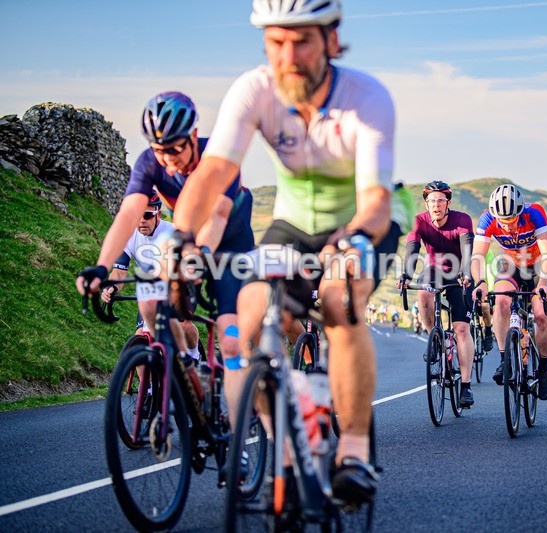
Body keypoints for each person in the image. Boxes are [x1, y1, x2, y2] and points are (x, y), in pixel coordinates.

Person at [169, 0, 401, 506]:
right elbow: (211, 173)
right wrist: (180, 236)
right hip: (293, 225)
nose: (288, 55)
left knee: (339, 302)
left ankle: (355, 451)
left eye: (302, 40)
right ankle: (285, 447)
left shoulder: (366, 97)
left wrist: (356, 237)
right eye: (276, 41)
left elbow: (377, 199)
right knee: (248, 325)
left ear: (332, 40)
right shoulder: (254, 88)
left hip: (360, 222)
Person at [76, 91, 255, 435]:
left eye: (174, 148)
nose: (167, 159)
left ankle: (240, 407)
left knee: (230, 340)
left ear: (192, 137)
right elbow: (129, 213)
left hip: (230, 245)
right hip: (190, 238)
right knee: (149, 300)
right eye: (159, 149)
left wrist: (195, 260)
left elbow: (217, 217)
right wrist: (102, 266)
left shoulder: (219, 157)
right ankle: (187, 369)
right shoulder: (150, 162)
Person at [470, 183, 547, 400]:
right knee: (500, 302)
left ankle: (544, 370)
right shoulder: (487, 219)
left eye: (511, 220)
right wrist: (480, 282)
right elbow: (477, 257)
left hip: (538, 267)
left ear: (520, 211)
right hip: (510, 265)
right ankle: (504, 360)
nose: (507, 226)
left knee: (540, 314)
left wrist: (543, 284)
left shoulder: (535, 213)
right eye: (502, 222)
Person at [398, 180, 476, 407]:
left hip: (460, 272)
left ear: (448, 202)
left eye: (440, 200)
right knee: (423, 294)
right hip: (433, 270)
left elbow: (467, 251)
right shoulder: (419, 221)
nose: (436, 205)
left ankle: (466, 386)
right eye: (431, 201)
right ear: (426, 203)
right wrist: (406, 275)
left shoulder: (462, 220)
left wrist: (466, 273)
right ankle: (435, 339)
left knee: (462, 328)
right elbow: (412, 250)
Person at [102, 189, 200, 355]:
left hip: (180, 282)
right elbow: (118, 273)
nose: (141, 221)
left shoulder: (173, 232)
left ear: (158, 214)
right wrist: (112, 288)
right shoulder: (128, 235)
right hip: (152, 288)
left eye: (147, 215)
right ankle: (146, 382)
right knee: (139, 342)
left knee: (184, 325)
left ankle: (194, 358)